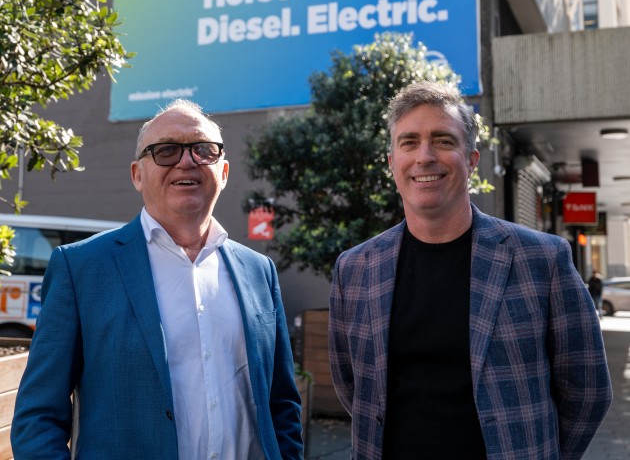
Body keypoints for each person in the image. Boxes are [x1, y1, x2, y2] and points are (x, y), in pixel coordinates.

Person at [328, 81, 612, 459]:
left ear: (472, 160)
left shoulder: (542, 259)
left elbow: (588, 389)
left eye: (443, 141)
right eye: (409, 142)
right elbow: (353, 388)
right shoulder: (355, 268)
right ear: (391, 162)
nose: (424, 156)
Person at [11, 100, 303, 459]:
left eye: (203, 150)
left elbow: (282, 405)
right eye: (166, 151)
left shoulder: (258, 271)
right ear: (137, 174)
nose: (186, 161)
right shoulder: (81, 268)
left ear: (224, 172)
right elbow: (38, 416)